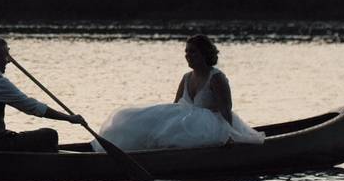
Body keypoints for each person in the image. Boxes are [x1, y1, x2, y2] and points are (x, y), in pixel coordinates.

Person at [91, 34, 264, 151]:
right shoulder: (187, 77)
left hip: (211, 125)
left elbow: (226, 110)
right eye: (186, 52)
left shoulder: (216, 78)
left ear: (204, 53)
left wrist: (232, 135)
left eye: (193, 52)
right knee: (131, 117)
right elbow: (174, 106)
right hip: (188, 120)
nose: (188, 56)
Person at [0, 37, 85, 152]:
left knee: (35, 140)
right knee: (50, 135)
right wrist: (69, 118)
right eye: (6, 55)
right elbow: (32, 107)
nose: (8, 61)